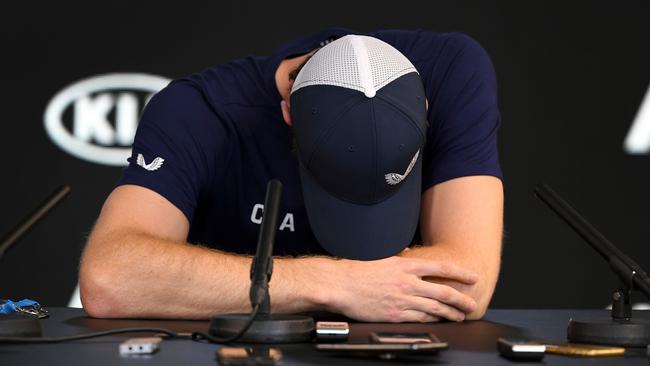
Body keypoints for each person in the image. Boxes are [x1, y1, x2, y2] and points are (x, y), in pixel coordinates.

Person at [79, 28, 504, 323]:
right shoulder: (202, 112)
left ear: (426, 106)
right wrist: (333, 284)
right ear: (287, 114)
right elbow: (110, 278)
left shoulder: (452, 71)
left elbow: (467, 282)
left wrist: (256, 286)